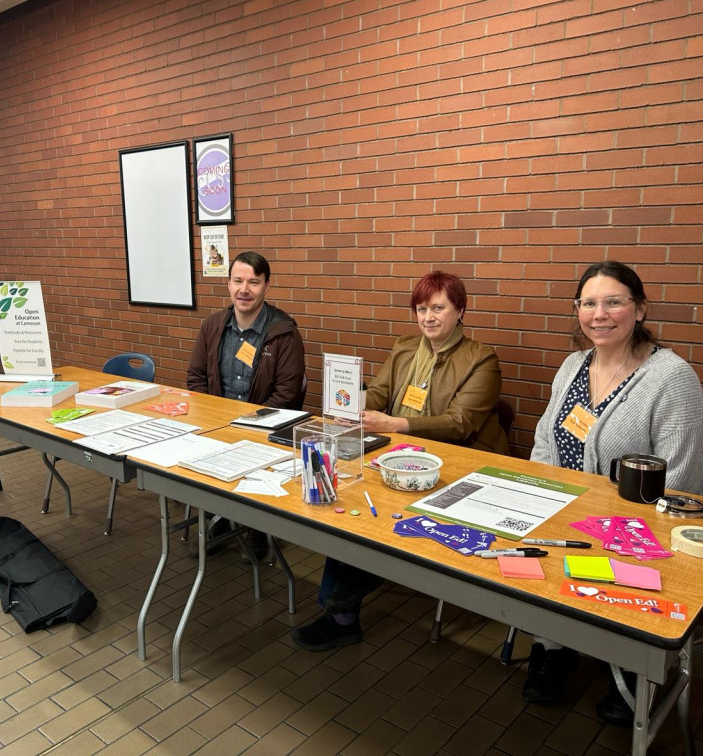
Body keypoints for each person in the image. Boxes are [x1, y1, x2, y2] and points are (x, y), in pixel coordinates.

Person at [524, 261, 703, 724]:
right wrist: (541, 499)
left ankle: (629, 668)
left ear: (640, 308)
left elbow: (680, 482)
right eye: (588, 303)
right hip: (568, 512)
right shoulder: (573, 365)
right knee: (535, 549)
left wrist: (614, 528)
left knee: (613, 565)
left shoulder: (672, 378)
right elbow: (546, 440)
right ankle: (554, 647)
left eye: (613, 301)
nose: (599, 314)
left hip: (644, 529)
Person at [291, 271, 510, 651]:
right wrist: (349, 406)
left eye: (438, 308)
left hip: (458, 466)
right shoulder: (405, 347)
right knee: (350, 508)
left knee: (375, 524)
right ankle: (337, 609)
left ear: (460, 310)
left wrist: (398, 423)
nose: (428, 317)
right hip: (396, 457)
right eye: (421, 309)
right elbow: (378, 392)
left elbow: (461, 424)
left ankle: (340, 613)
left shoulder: (481, 358)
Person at [187, 251, 307, 559]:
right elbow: (195, 380)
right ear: (228, 284)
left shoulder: (283, 332)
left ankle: (257, 528)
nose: (245, 289)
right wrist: (216, 419)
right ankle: (224, 519)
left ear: (267, 286)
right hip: (219, 425)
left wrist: (247, 425)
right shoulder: (212, 326)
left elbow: (287, 394)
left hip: (265, 429)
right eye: (238, 281)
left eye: (254, 282)